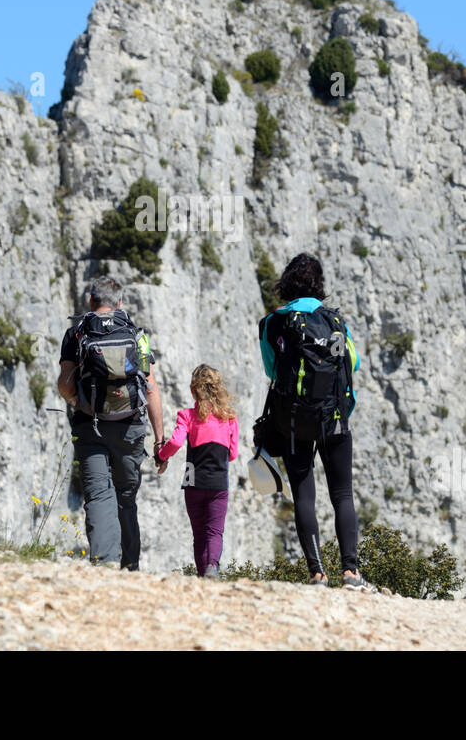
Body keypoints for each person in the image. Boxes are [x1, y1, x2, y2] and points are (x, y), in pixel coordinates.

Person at [257, 252, 369, 589]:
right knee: (343, 495)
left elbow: (270, 370)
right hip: (334, 419)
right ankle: (350, 572)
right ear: (319, 283)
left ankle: (317, 572)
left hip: (293, 422)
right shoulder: (335, 320)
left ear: (287, 281)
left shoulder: (273, 322)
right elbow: (355, 362)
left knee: (305, 496)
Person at [57, 275, 165, 570]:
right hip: (130, 427)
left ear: (90, 302)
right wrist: (159, 439)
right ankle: (130, 567)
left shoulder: (76, 333)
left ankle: (105, 561)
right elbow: (151, 389)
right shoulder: (137, 335)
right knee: (126, 497)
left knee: (98, 493)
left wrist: (81, 405)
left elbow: (65, 385)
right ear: (119, 303)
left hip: (89, 426)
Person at [154, 365, 240, 579]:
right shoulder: (229, 418)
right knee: (214, 532)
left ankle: (203, 578)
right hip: (218, 483)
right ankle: (212, 567)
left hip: (193, 483)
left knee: (199, 534)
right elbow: (233, 453)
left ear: (194, 391)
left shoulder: (187, 416)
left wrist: (161, 456)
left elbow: (174, 442)